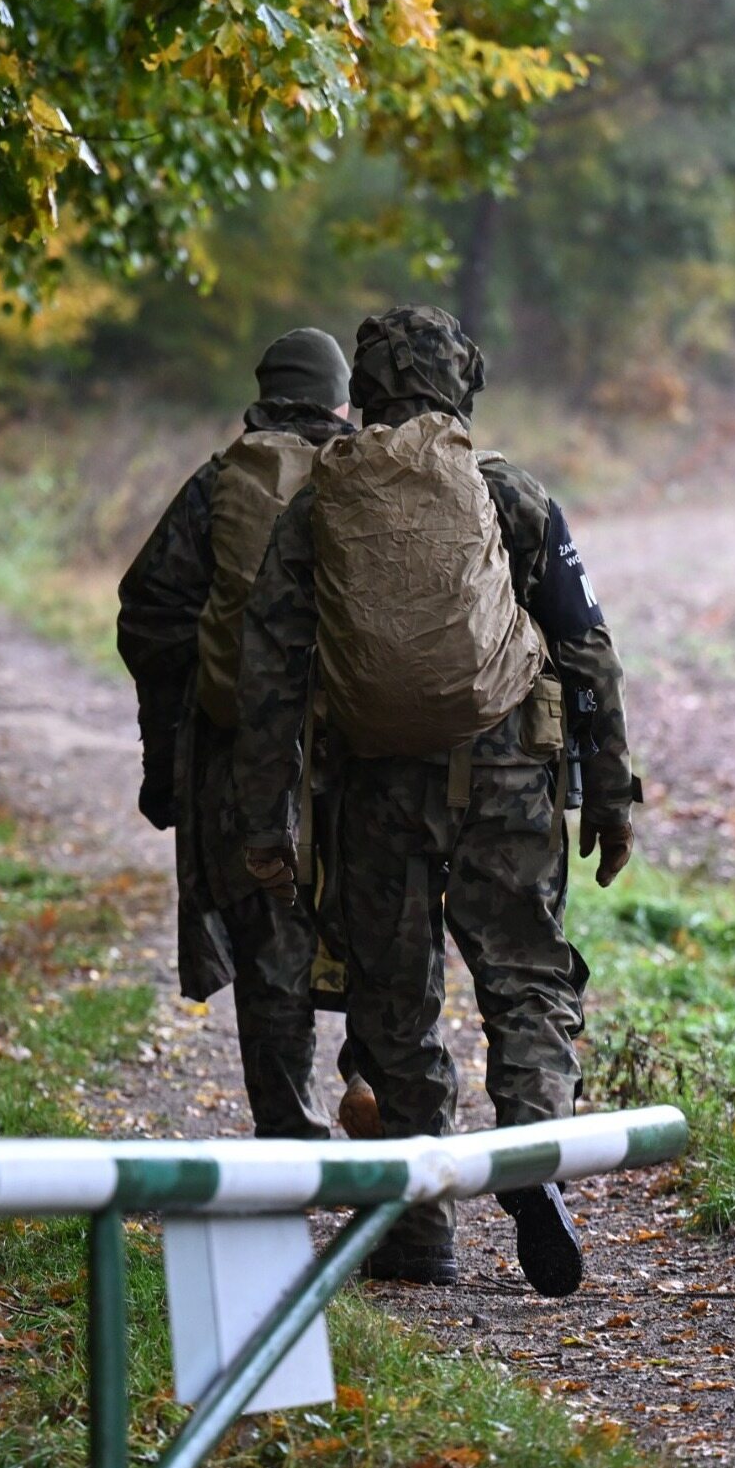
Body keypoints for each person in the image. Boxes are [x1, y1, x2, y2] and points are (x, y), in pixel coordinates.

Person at [232, 305, 638, 1297]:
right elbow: (585, 646)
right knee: (528, 983)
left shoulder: (322, 502)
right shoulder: (508, 492)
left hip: (378, 786)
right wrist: (611, 789)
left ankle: (421, 1233)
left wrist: (265, 814)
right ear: (463, 388)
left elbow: (269, 672)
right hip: (506, 780)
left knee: (396, 1001)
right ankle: (534, 1155)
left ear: (362, 393)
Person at [116, 328, 374, 1140]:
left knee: (271, 956)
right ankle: (378, 1095)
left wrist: (179, 739)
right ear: (341, 399)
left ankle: (292, 1142)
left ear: (263, 394)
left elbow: (148, 614)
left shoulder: (221, 482)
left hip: (244, 760)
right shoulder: (377, 476)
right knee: (388, 939)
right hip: (371, 756)